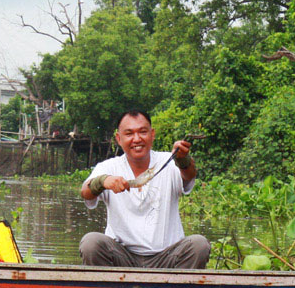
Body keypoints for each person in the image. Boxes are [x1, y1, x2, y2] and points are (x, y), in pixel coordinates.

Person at [79, 109, 210, 269]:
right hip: (122, 257)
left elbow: (189, 176)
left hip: (167, 257)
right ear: (119, 139)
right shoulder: (108, 167)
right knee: (91, 242)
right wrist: (102, 181)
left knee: (199, 244)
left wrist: (183, 159)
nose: (137, 139)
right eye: (129, 133)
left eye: (142, 132)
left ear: (152, 134)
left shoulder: (168, 161)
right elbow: (85, 193)